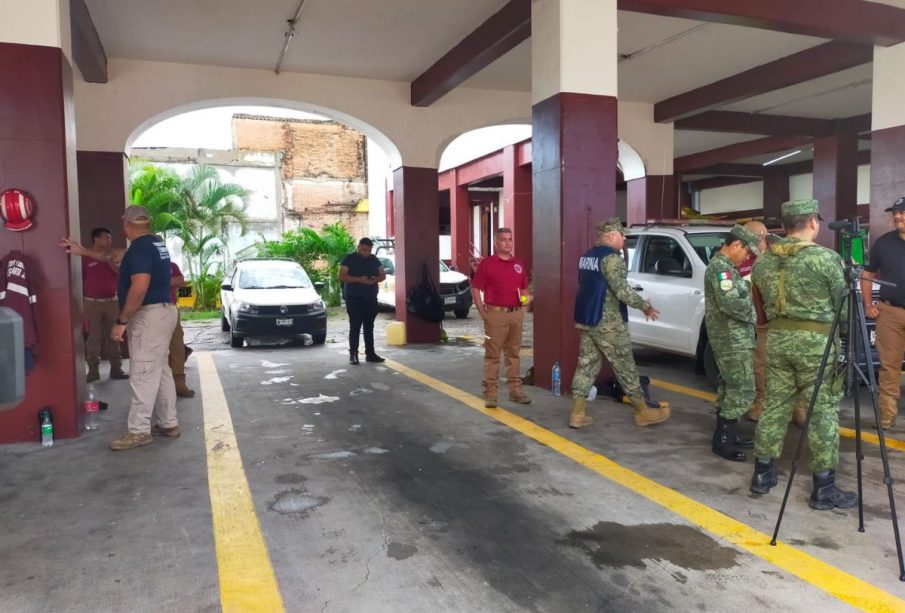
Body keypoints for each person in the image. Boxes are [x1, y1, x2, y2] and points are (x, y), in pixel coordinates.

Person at [749, 199, 856, 510]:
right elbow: (845, 310)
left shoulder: (763, 262)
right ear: (813, 222)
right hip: (816, 345)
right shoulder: (826, 259)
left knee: (774, 406)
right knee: (821, 411)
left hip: (778, 341)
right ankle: (824, 487)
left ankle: (762, 475)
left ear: (783, 226)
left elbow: (759, 306)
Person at [569, 218, 670, 428]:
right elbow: (621, 290)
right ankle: (643, 411)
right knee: (625, 365)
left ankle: (577, 413)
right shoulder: (612, 258)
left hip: (588, 319)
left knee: (586, 366)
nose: (624, 238)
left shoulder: (587, 256)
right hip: (608, 323)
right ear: (611, 236)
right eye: (622, 235)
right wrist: (645, 306)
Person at [109, 206, 179, 450]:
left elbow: (139, 287)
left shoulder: (138, 249)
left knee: (143, 371)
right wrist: (83, 250)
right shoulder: (156, 244)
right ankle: (168, 422)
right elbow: (116, 256)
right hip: (164, 311)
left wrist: (122, 321)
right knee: (160, 369)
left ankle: (139, 431)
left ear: (127, 225)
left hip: (148, 316)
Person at [741, 221, 808, 427]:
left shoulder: (777, 256)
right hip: (762, 322)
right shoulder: (745, 260)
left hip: (782, 321)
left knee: (789, 365)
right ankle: (762, 402)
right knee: (761, 365)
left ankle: (799, 409)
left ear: (761, 236)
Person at [704, 225, 760, 461]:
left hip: (731, 337)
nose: (747, 257)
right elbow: (731, 304)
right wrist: (755, 311)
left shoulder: (726, 268)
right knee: (743, 387)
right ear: (736, 245)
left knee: (729, 385)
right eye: (747, 252)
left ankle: (727, 433)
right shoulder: (721, 270)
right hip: (731, 338)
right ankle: (724, 440)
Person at [471, 227, 532, 408]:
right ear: (496, 243)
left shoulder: (518, 264)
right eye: (503, 239)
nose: (508, 243)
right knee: (493, 355)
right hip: (495, 315)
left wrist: (525, 305)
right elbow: (476, 289)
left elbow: (524, 290)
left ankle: (515, 391)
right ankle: (490, 393)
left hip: (515, 315)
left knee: (513, 354)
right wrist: (483, 313)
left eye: (510, 239)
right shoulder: (488, 264)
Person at [862, 196, 905, 429]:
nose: (897, 216)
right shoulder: (884, 242)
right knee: (889, 365)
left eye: (902, 212)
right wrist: (869, 304)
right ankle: (887, 415)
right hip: (890, 313)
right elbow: (867, 274)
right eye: (895, 213)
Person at [82, 227, 128, 382]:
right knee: (93, 338)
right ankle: (93, 371)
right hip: (91, 303)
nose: (110, 240)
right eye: (106, 238)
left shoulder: (113, 256)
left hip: (112, 302)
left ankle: (117, 368)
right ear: (96, 239)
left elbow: (121, 274)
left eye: (110, 238)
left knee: (115, 336)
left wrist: (110, 262)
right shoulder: (85, 257)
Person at [339, 238, 386, 365]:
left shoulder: (374, 259)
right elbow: (342, 276)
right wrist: (360, 280)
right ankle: (353, 354)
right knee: (355, 326)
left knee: (369, 326)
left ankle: (370, 353)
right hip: (354, 299)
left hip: (370, 298)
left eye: (369, 250)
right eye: (364, 250)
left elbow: (383, 275)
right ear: (359, 247)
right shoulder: (349, 258)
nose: (366, 253)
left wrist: (376, 278)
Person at [168, 261, 195, 397]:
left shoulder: (171, 265)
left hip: (170, 307)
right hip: (148, 310)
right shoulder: (142, 263)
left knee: (177, 343)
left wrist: (155, 280)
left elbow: (179, 280)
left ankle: (179, 383)